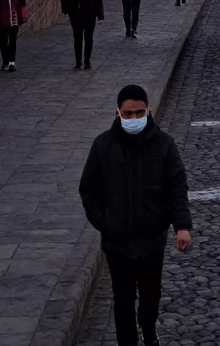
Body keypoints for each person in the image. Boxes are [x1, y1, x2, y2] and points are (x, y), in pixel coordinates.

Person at [80, 83, 192, 346]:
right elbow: (89, 189)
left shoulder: (164, 144)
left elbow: (177, 187)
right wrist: (105, 222)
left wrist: (181, 226)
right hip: (117, 239)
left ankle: (148, 327)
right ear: (118, 112)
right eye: (128, 114)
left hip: (152, 237)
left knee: (150, 293)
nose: (134, 119)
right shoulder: (103, 146)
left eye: (139, 113)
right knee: (123, 297)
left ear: (148, 111)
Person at [60, 0, 104, 69]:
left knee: (89, 38)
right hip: (76, 15)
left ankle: (87, 60)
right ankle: (78, 62)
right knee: (78, 38)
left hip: (90, 14)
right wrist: (67, 10)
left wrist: (99, 15)